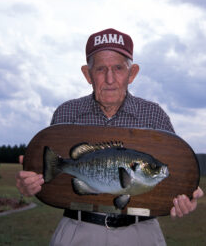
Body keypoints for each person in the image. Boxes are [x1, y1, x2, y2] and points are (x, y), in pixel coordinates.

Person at [16, 28, 204, 246]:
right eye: (100, 69)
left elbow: (173, 179)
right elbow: (51, 182)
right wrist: (30, 184)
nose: (110, 79)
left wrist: (185, 195)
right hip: (78, 230)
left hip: (141, 231)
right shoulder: (66, 114)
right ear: (87, 74)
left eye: (118, 68)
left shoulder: (155, 115)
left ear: (132, 73)